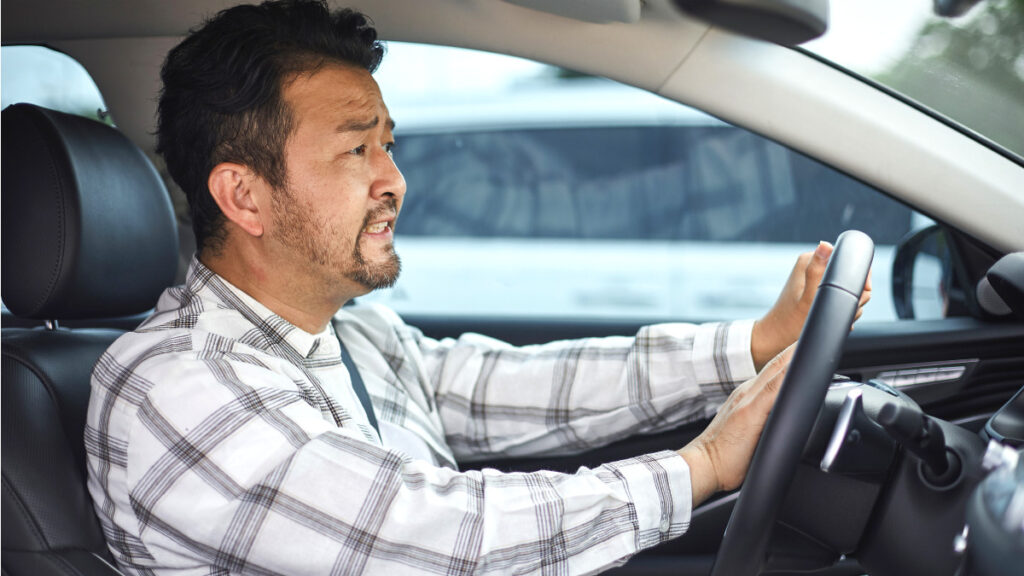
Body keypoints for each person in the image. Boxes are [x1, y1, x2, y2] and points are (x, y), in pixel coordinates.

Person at [85, 1, 871, 574]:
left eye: (388, 146)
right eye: (358, 152)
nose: (395, 181)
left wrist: (753, 345)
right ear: (244, 196)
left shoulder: (352, 333)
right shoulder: (174, 386)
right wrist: (700, 466)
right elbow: (435, 535)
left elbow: (517, 388)